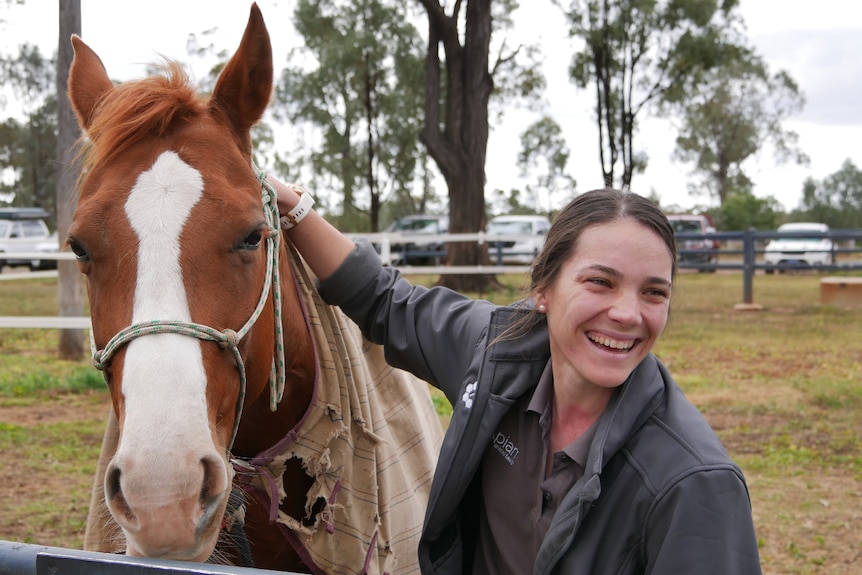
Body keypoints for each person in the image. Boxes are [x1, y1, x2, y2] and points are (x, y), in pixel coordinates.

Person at [271, 177, 762, 575]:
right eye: (600, 282)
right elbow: (384, 301)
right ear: (543, 291)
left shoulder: (695, 485)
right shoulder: (495, 355)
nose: (628, 314)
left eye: (653, 293)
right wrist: (289, 203)